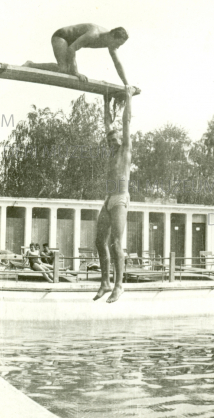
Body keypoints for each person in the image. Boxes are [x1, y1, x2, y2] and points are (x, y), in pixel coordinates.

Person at [94, 85, 135, 303]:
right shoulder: (112, 153)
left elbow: (126, 123)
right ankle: (105, 282)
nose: (111, 142)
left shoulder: (126, 150)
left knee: (117, 243)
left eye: (114, 140)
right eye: (109, 141)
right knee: (100, 242)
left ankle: (119, 286)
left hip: (120, 197)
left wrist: (129, 98)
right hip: (109, 199)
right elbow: (107, 125)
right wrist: (105, 102)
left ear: (121, 140)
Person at [23, 24, 129, 83]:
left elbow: (117, 64)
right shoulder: (94, 34)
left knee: (65, 70)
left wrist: (126, 84)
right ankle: (30, 64)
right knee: (63, 69)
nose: (117, 47)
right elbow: (71, 49)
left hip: (70, 43)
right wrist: (76, 73)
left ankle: (31, 64)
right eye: (117, 43)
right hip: (62, 37)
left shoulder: (111, 44)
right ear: (112, 36)